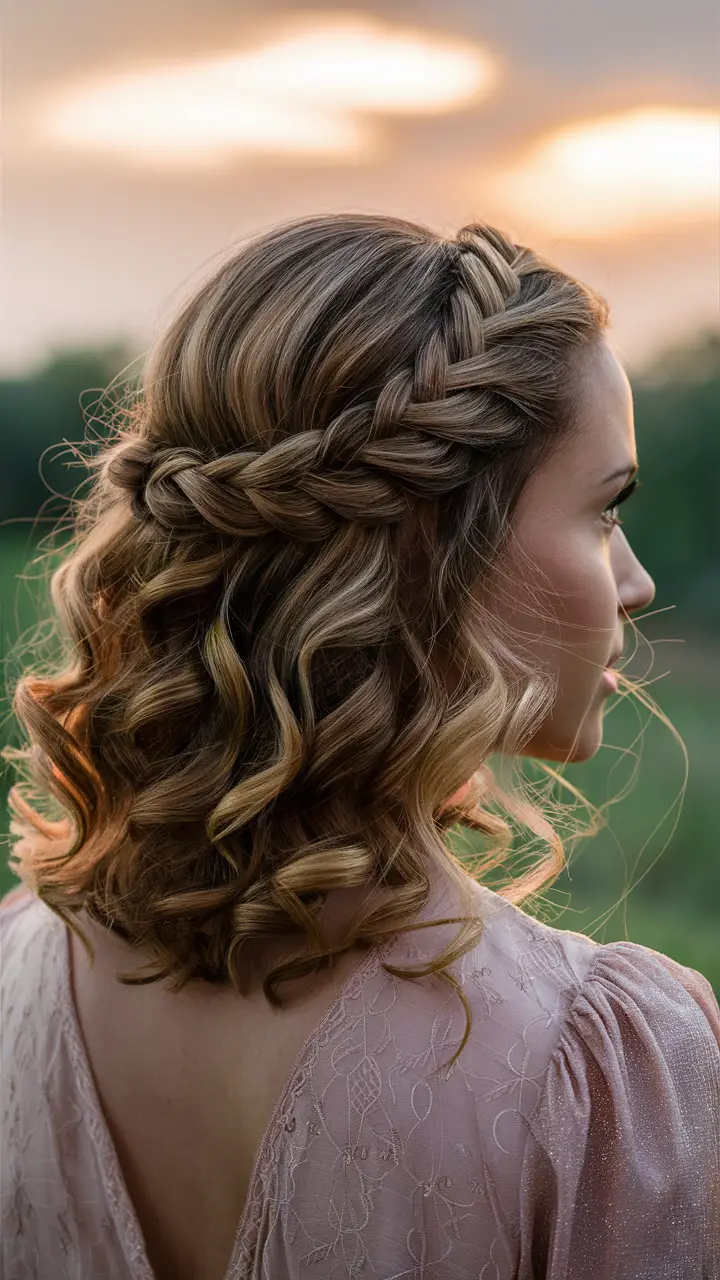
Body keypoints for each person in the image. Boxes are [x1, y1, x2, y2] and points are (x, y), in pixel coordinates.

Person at [1, 214, 717, 1280]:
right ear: (431, 548)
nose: (637, 582)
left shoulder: (16, 968)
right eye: (605, 509)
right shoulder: (598, 1067)